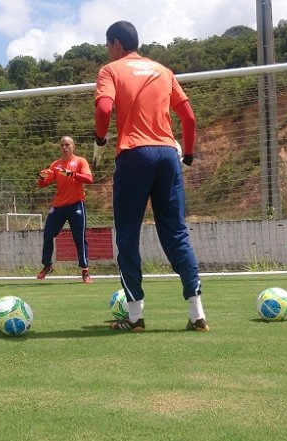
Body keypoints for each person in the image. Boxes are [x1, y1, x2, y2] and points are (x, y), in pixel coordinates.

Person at [93, 21, 207, 332]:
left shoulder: (111, 70)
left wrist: (100, 140)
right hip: (168, 155)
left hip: (134, 154)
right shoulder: (163, 71)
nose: (107, 51)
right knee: (175, 232)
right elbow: (189, 117)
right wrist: (188, 155)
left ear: (116, 43)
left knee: (128, 234)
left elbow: (104, 110)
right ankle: (197, 314)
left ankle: (135, 318)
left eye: (107, 45)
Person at [36, 136, 94, 283]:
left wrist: (71, 174)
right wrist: (42, 177)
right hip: (59, 206)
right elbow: (42, 184)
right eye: (62, 145)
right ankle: (47, 265)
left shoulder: (80, 161)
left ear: (73, 146)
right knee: (48, 233)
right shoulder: (56, 165)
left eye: (67, 144)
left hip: (76, 204)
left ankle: (85, 270)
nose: (64, 147)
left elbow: (89, 179)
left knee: (79, 237)